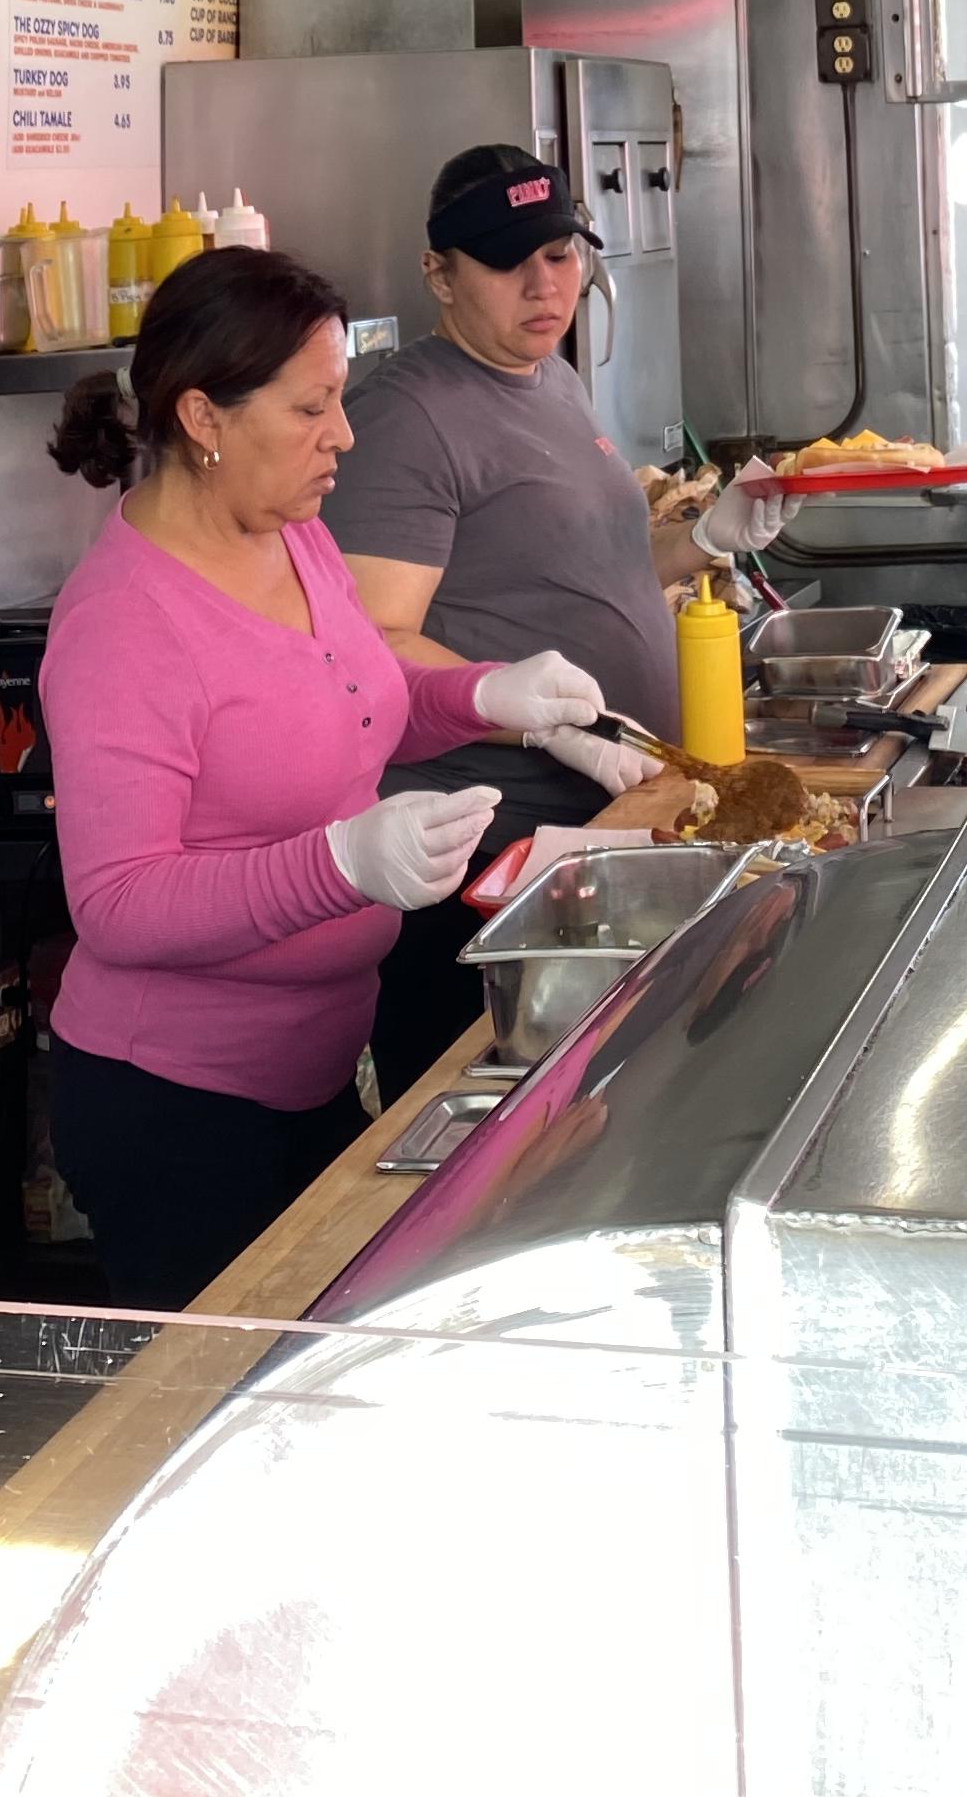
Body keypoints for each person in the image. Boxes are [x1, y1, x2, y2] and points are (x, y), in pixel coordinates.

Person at [37, 244, 620, 1308]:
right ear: (204, 418)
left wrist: (489, 697)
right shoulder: (123, 624)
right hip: (175, 1111)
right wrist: (340, 865)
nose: (343, 435)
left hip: (314, 1077)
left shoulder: (292, 535)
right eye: (312, 409)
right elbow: (117, 902)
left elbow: (353, 693)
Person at [326, 141, 792, 1090]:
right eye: (508, 262)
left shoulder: (553, 379)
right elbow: (370, 649)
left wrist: (706, 539)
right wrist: (538, 726)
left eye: (560, 254)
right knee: (492, 1122)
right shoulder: (408, 418)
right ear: (439, 274)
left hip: (596, 828)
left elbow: (585, 571)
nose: (545, 286)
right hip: (489, 854)